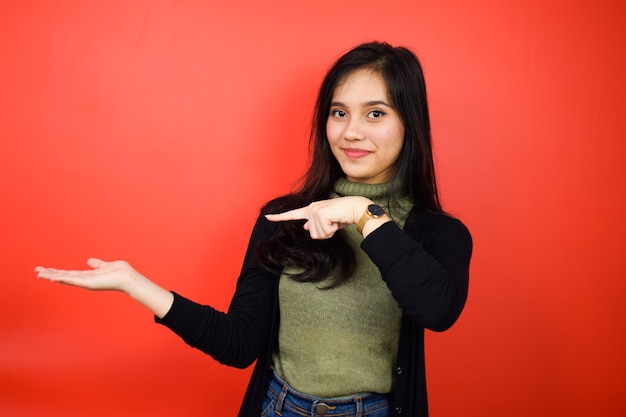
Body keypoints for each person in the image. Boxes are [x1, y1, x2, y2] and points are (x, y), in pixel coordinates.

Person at [35, 41, 472, 417]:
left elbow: (437, 310)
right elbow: (240, 344)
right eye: (339, 112)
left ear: (409, 124)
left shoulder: (436, 233)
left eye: (375, 113)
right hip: (278, 406)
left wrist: (363, 212)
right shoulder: (285, 216)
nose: (351, 132)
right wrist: (134, 283)